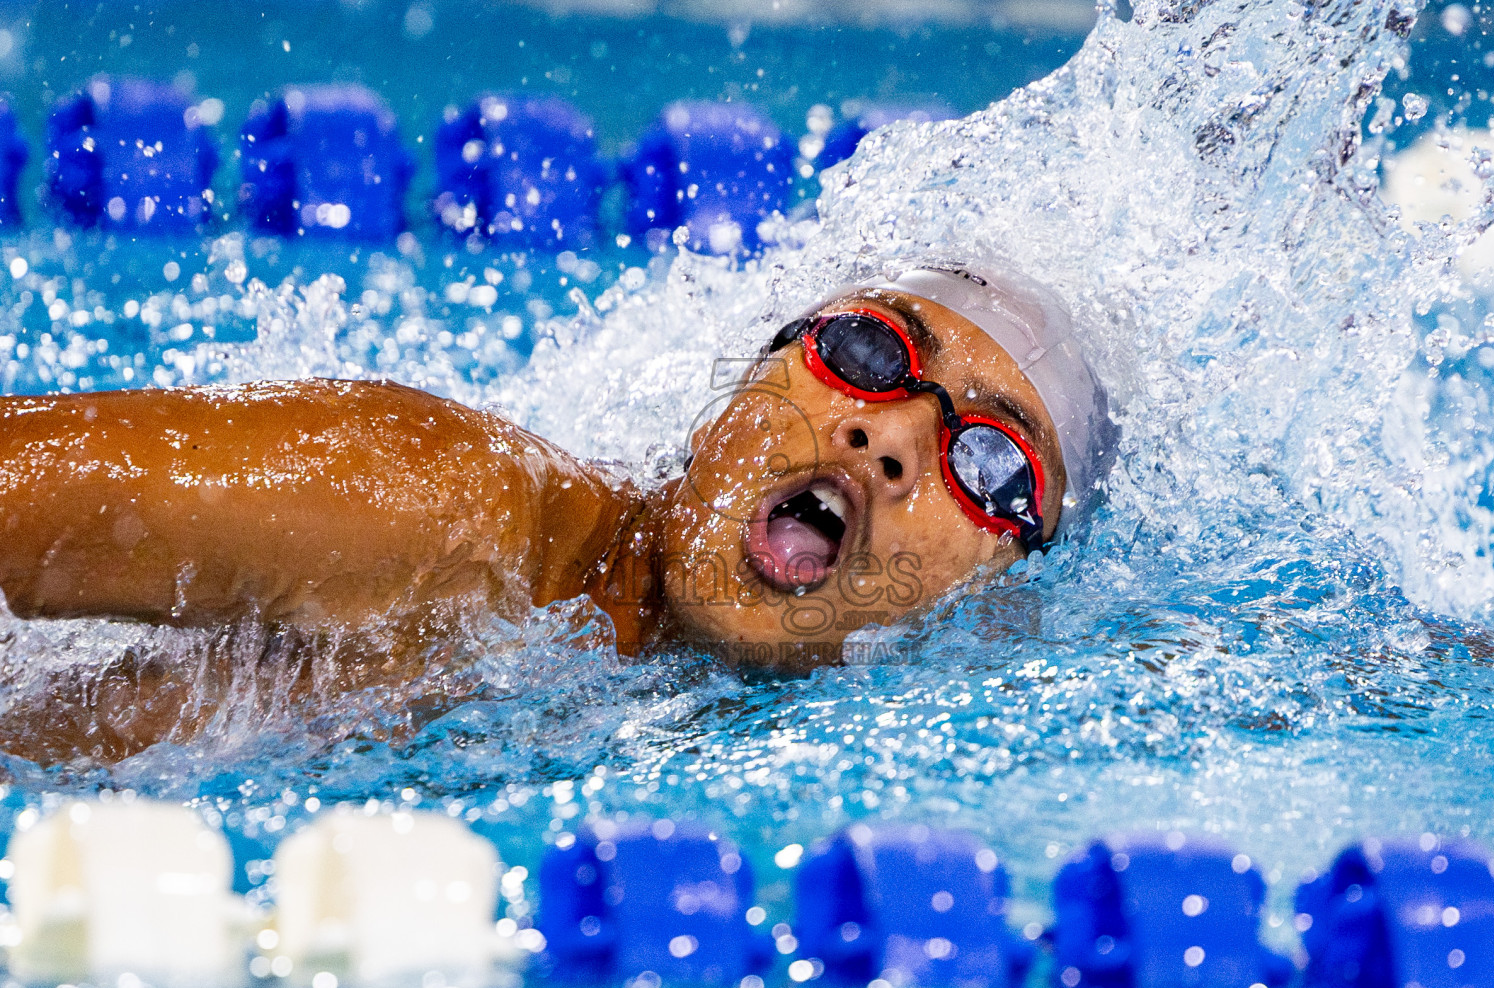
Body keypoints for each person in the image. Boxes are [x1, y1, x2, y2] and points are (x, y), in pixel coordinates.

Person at [0, 260, 1115, 759]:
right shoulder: (442, 504)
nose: (892, 441)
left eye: (993, 463)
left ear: (1002, 595)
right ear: (736, 396)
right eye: (867, 351)